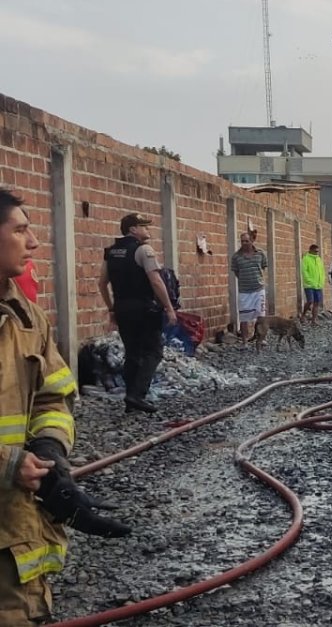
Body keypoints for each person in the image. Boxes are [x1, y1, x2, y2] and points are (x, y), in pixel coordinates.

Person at [0, 188, 131, 625]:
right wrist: (7, 464)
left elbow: (53, 394)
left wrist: (49, 451)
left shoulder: (27, 317)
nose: (34, 241)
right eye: (20, 230)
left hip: (12, 525)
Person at [98, 213, 178, 414]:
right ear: (133, 229)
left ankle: (130, 399)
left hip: (122, 308)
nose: (147, 230)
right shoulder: (143, 250)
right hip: (143, 308)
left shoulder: (111, 252)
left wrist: (111, 308)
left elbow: (102, 283)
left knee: (132, 353)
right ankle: (137, 395)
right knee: (154, 351)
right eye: (143, 226)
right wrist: (169, 307)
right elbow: (156, 281)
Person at [230, 232, 268, 343]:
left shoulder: (260, 254)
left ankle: (261, 338)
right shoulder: (236, 257)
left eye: (247, 241)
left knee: (261, 314)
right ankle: (245, 341)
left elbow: (263, 268)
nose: (244, 243)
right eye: (242, 241)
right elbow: (236, 272)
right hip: (244, 291)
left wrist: (257, 279)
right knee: (244, 317)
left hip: (259, 289)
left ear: (251, 241)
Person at [300, 244, 324, 326]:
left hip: (318, 285)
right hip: (309, 285)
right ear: (310, 250)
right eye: (315, 251)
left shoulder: (319, 259)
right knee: (310, 301)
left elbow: (322, 271)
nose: (317, 253)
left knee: (316, 302)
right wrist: (309, 281)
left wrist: (322, 281)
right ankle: (303, 315)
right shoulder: (306, 259)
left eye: (318, 251)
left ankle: (314, 320)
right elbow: (304, 271)